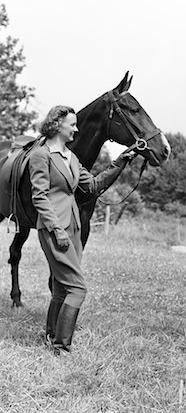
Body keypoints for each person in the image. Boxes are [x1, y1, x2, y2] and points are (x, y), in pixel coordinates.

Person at [29, 105, 134, 355]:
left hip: (74, 226)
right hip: (55, 228)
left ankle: (51, 335)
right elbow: (39, 197)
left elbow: (95, 185)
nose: (77, 128)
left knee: (62, 287)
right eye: (72, 124)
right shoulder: (41, 155)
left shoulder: (71, 157)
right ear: (57, 125)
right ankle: (61, 347)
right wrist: (57, 229)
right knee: (78, 288)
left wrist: (121, 161)